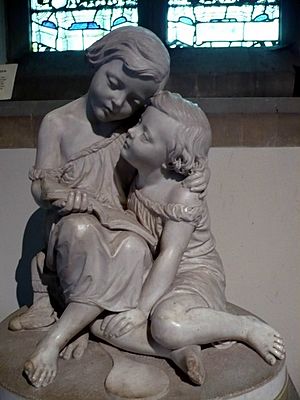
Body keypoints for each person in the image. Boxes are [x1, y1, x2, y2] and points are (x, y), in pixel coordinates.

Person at [21, 27, 208, 388]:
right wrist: (58, 193)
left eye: (134, 101)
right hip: (70, 223)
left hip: (122, 224)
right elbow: (40, 186)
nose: (118, 101)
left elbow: (178, 144)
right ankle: (59, 338)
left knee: (137, 249)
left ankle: (76, 331)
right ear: (100, 59)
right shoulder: (56, 124)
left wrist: (196, 177)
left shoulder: (131, 128)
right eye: (113, 82)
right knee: (81, 230)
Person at [91, 91, 286, 385]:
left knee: (166, 324)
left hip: (193, 272)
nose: (131, 132)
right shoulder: (138, 175)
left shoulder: (182, 194)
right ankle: (174, 353)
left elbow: (171, 254)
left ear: (171, 160)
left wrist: (141, 310)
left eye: (145, 135)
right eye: (140, 124)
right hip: (153, 271)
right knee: (99, 322)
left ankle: (243, 328)